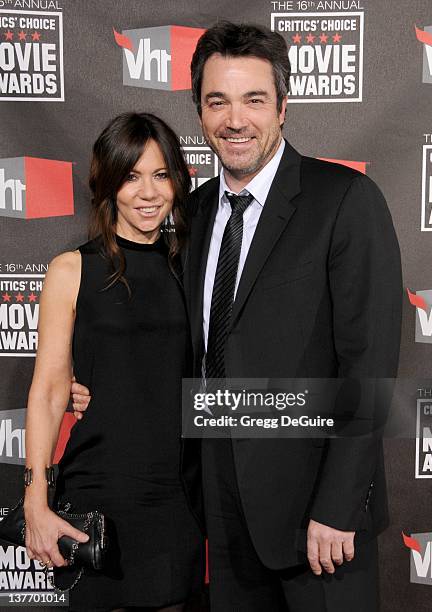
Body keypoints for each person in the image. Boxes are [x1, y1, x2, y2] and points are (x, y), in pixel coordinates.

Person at [73, 22, 402, 612]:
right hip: (217, 510)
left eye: (254, 99)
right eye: (217, 100)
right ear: (199, 110)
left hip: (316, 520)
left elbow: (370, 364)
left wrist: (337, 505)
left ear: (283, 107)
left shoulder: (344, 200)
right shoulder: (191, 214)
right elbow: (175, 341)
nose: (235, 119)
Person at [24, 112, 205, 612]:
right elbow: (47, 391)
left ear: (178, 183)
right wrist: (35, 498)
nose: (147, 192)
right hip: (98, 494)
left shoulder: (192, 265)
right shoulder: (71, 269)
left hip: (179, 495)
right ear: (107, 183)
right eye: (131, 176)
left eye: (161, 175)